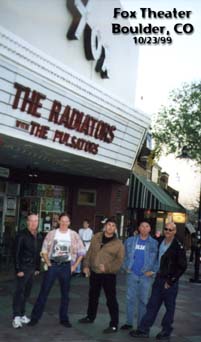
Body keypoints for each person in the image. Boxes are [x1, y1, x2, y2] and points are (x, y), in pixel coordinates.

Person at [130, 222, 187, 340]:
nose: (167, 231)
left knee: (169, 308)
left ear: (175, 231)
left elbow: (182, 266)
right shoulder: (160, 241)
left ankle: (166, 331)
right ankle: (143, 330)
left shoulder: (178, 246)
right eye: (166, 229)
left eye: (170, 230)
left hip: (169, 282)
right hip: (158, 279)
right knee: (152, 305)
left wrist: (171, 281)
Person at [28, 213, 85, 328]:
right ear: (59, 221)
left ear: (69, 223)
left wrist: (74, 266)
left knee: (65, 294)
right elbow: (44, 250)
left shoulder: (73, 235)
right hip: (53, 266)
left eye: (67, 221)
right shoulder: (51, 234)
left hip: (66, 266)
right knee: (44, 292)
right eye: (62, 221)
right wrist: (48, 263)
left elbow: (82, 252)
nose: (64, 223)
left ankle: (64, 319)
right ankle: (34, 318)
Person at [78, 218, 124, 333]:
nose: (110, 227)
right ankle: (90, 317)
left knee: (111, 300)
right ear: (105, 226)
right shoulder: (96, 237)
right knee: (93, 296)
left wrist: (108, 268)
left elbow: (119, 261)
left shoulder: (118, 244)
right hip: (94, 272)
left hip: (108, 275)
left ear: (115, 228)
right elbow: (89, 253)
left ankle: (114, 324)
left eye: (113, 225)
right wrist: (86, 265)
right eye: (109, 225)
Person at [121, 221, 158, 331]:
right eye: (142, 226)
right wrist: (125, 267)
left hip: (145, 276)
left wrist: (153, 271)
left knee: (143, 301)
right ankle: (129, 323)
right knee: (130, 299)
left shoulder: (154, 243)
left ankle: (141, 324)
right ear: (139, 228)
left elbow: (158, 259)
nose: (144, 228)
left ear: (150, 229)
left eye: (147, 226)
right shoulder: (130, 241)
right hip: (132, 274)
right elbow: (123, 255)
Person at [12, 213, 43, 329]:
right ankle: (16, 316)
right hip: (23, 268)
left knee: (27, 293)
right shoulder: (21, 235)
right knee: (19, 293)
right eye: (32, 220)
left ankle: (22, 314)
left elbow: (38, 253)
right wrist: (18, 269)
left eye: (36, 221)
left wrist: (37, 268)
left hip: (32, 269)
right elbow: (15, 254)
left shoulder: (38, 236)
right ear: (27, 222)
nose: (34, 223)